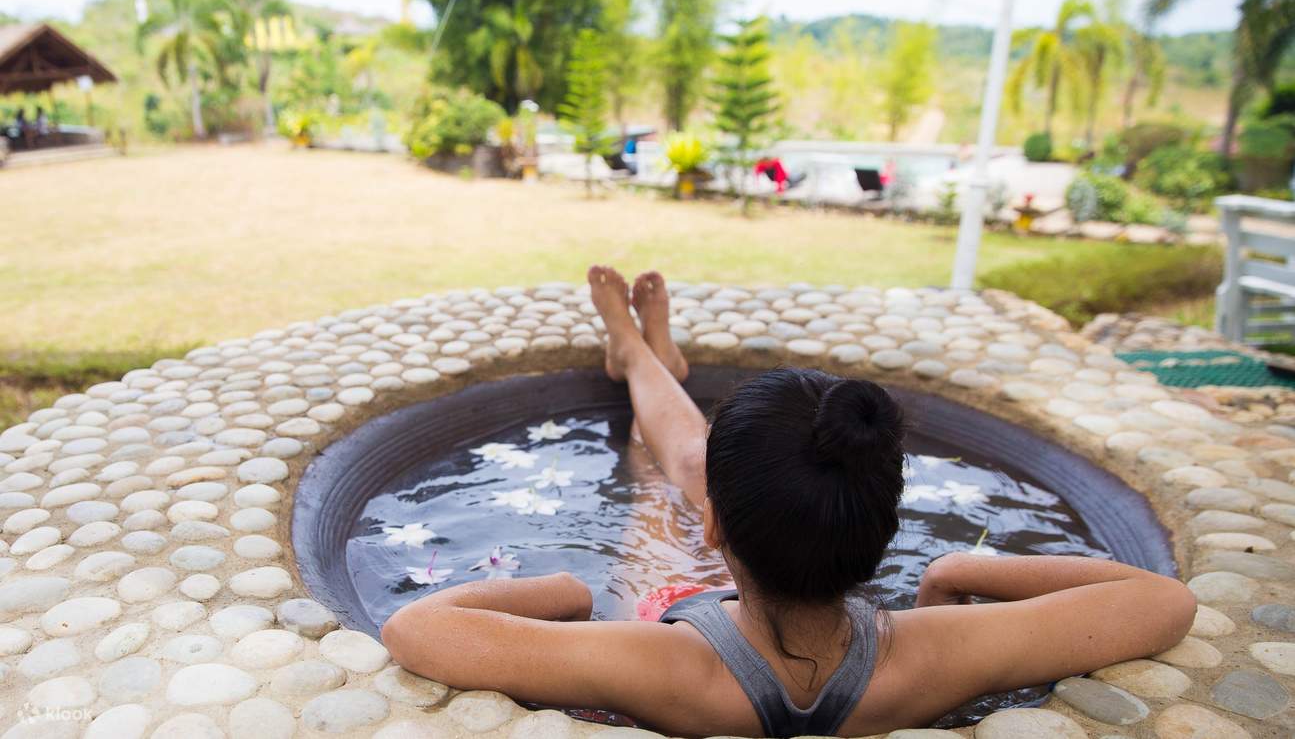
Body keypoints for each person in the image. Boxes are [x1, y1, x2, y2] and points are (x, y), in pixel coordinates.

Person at [381, 266, 1197, 738]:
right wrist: (957, 569)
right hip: (815, 616)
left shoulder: (658, 665)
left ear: (714, 524)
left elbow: (416, 630)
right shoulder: (933, 654)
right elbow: (1162, 602)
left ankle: (634, 357)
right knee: (694, 465)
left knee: (664, 478)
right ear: (881, 530)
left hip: (679, 617)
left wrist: (562, 593)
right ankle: (647, 362)